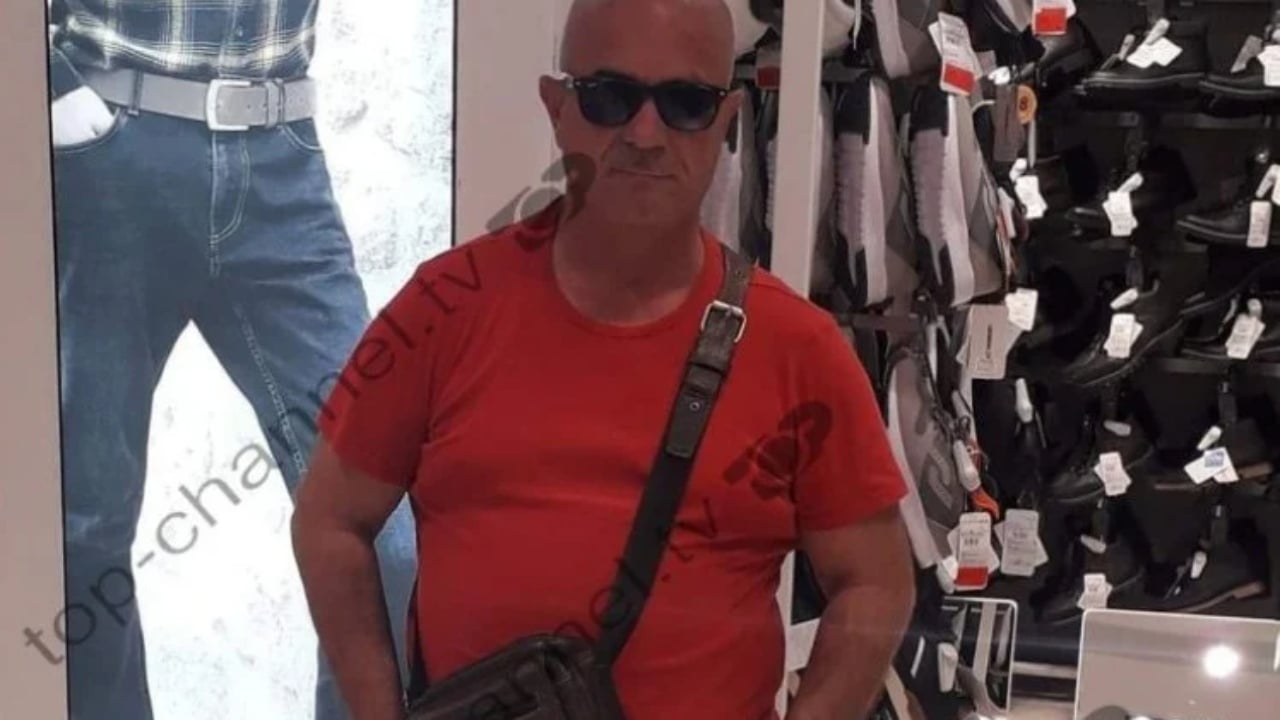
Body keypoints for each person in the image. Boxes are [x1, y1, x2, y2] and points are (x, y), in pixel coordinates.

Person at [291, 0, 916, 718]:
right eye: (609, 97)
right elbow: (329, 519)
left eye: (685, 103)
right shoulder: (443, 308)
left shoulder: (798, 349)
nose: (644, 134)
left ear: (727, 120)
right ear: (557, 107)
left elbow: (876, 582)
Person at [45, 1, 417, 718]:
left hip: (283, 160)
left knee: (384, 526)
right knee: (82, 532)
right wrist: (54, 90)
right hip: (110, 154)